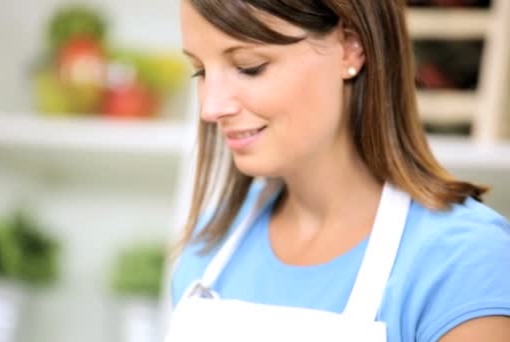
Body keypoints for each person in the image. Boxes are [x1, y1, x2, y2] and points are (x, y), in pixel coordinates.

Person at [167, 0, 510, 341]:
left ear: (350, 47)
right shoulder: (209, 246)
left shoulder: (464, 264)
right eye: (200, 71)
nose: (210, 109)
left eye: (249, 66)